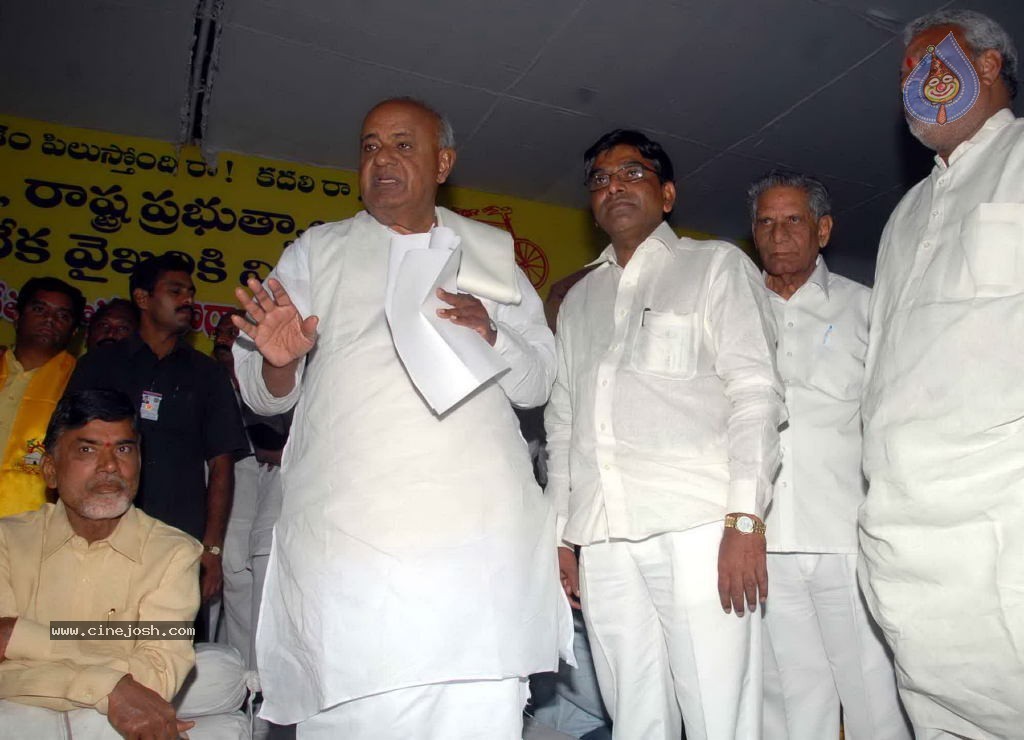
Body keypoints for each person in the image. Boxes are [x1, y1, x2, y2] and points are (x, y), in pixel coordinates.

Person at [231, 97, 567, 738]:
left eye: (402, 145)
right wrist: (277, 363)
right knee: (352, 705)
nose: (382, 158)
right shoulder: (318, 251)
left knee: (475, 708)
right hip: (353, 541)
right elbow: (261, 390)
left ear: (443, 162)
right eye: (369, 146)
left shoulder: (491, 256)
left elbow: (539, 383)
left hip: (477, 541)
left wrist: (491, 332)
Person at [546, 129, 785, 740]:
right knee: (633, 718)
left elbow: (756, 393)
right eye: (599, 180)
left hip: (701, 529)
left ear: (667, 193)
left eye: (631, 173)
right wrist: (564, 537)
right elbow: (564, 422)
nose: (613, 187)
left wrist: (744, 519)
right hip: (603, 537)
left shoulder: (715, 266)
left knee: (719, 716)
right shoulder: (577, 303)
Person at [860, 9, 1024, 739]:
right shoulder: (905, 216)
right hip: (906, 540)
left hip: (1001, 517)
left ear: (988, 65)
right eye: (901, 77)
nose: (911, 85)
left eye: (927, 61)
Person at [748, 171, 909, 740]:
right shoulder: (734, 313)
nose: (778, 233)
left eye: (793, 220)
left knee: (872, 694)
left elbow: (896, 419)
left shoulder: (868, 308)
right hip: (762, 541)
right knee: (787, 698)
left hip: (847, 535)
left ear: (823, 229)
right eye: (765, 221)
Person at [0, 389, 201, 738]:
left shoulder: (174, 553)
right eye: (87, 449)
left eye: (123, 449)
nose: (110, 466)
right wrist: (115, 687)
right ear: (50, 470)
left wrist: (22, 639)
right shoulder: (6, 541)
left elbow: (157, 677)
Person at [66, 255, 249, 610]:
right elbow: (68, 447)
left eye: (192, 292)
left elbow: (222, 463)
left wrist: (211, 548)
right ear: (143, 298)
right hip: (99, 534)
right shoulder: (98, 365)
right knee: (90, 641)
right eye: (176, 290)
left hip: (179, 541)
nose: (188, 300)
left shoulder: (206, 374)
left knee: (168, 652)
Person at [212, 311, 289, 676]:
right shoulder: (208, 377)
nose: (227, 338)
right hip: (238, 467)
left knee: (263, 559)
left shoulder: (279, 365)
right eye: (222, 332)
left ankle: (260, 676)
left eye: (235, 332)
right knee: (232, 566)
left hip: (283, 469)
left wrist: (278, 454)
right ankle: (235, 668)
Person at [0, 277, 84, 518]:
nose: (49, 319)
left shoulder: (80, 381)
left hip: (31, 525)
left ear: (74, 331)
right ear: (16, 317)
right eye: (39, 309)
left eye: (62, 316)